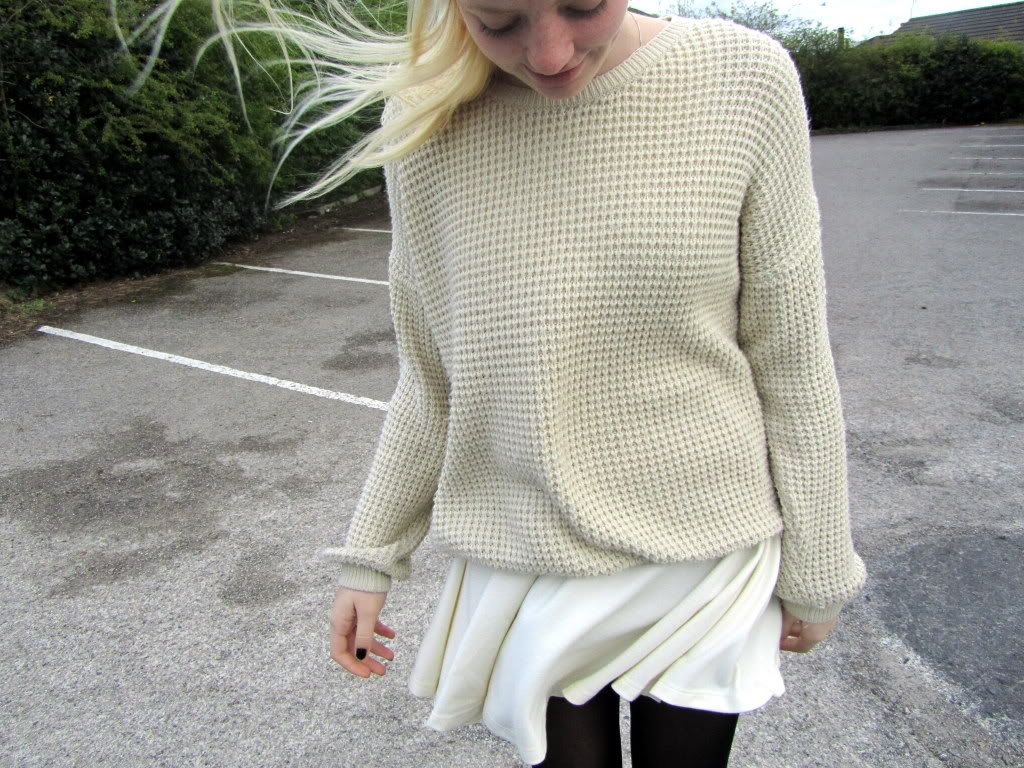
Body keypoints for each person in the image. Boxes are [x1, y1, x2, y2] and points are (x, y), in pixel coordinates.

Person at [117, 1, 867, 765]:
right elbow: (432, 377)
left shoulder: (744, 78)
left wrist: (819, 567)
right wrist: (369, 556)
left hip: (708, 548)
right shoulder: (429, 117)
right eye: (498, 21)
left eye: (582, 5)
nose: (548, 55)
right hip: (525, 551)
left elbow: (791, 356)